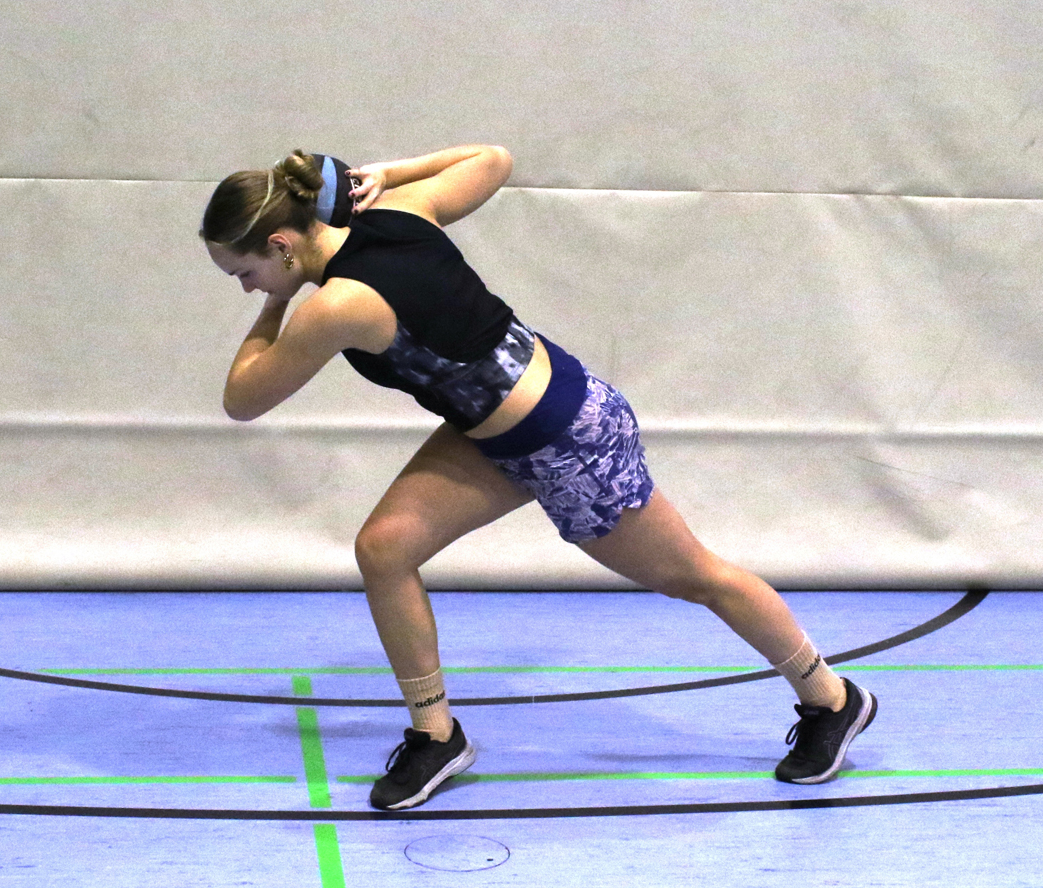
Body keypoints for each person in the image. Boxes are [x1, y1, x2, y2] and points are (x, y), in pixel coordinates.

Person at [200, 145, 877, 810]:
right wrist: (391, 176)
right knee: (384, 548)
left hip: (570, 440)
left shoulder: (336, 305)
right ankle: (436, 736)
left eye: (245, 272)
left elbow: (243, 399)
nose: (248, 287)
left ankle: (832, 698)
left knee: (695, 576)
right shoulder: (399, 211)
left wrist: (276, 304)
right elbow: (492, 160)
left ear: (283, 245)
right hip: (490, 433)